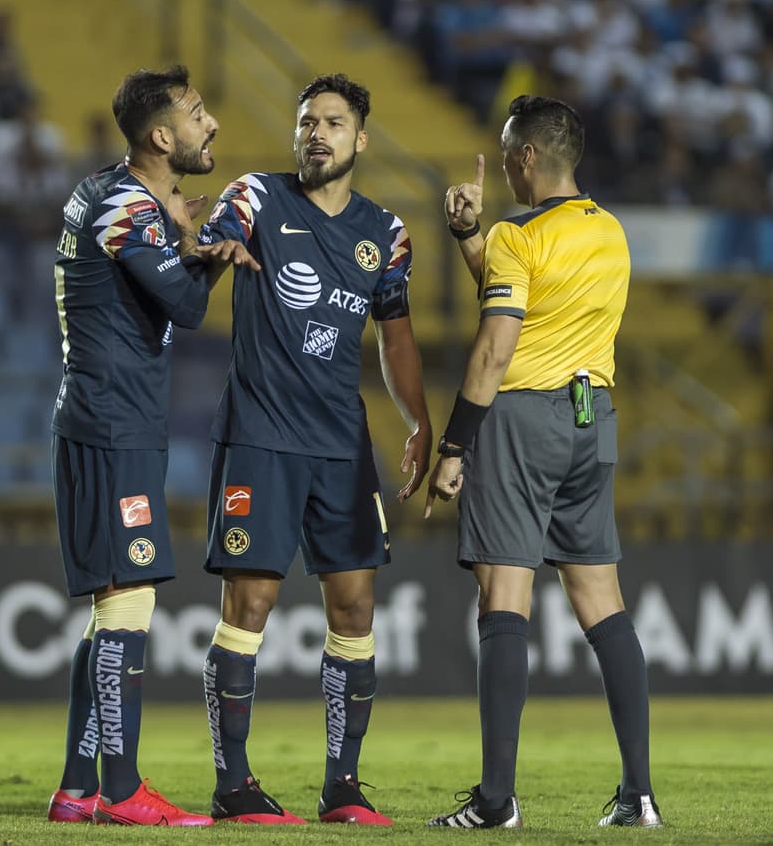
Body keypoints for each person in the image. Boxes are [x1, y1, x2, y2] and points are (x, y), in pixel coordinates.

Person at [196, 73, 432, 826]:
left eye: (332, 122)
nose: (315, 134)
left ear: (361, 138)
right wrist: (210, 246)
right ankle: (234, 786)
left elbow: (394, 337)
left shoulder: (387, 233)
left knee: (356, 608)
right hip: (261, 436)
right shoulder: (256, 198)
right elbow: (210, 234)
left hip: (340, 444)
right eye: (306, 122)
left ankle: (343, 785)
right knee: (251, 603)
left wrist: (420, 422)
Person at [423, 95, 662, 829]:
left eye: (505, 155)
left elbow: (498, 344)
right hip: (593, 419)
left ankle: (496, 800)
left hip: (522, 421)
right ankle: (638, 794)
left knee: (503, 597)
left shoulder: (517, 234)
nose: (501, 166)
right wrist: (471, 234)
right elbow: (533, 306)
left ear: (526, 157)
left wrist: (454, 445)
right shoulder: (610, 229)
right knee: (603, 601)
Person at [45, 65, 253, 827]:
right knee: (128, 601)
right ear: (162, 136)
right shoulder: (129, 209)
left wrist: (177, 232)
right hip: (111, 423)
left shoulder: (105, 190)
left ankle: (77, 787)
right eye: (199, 114)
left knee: (111, 609)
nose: (212, 125)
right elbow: (189, 307)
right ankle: (124, 791)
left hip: (108, 418)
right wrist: (214, 248)